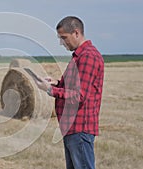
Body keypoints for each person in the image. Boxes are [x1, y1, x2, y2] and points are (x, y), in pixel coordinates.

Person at [35, 16, 104, 169]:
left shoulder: (88, 57)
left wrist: (49, 90)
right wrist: (57, 83)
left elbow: (79, 96)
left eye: (64, 38)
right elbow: (73, 87)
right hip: (72, 127)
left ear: (76, 33)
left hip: (79, 128)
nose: (62, 43)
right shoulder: (79, 56)